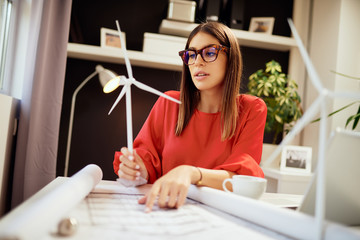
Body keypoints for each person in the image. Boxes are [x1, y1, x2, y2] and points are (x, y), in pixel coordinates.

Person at [113, 21, 267, 212]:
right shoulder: (168, 103)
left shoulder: (251, 109)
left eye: (209, 53)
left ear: (231, 58)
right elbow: (146, 159)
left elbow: (242, 177)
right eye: (191, 55)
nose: (197, 62)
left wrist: (191, 173)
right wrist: (137, 170)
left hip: (220, 216)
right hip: (166, 210)